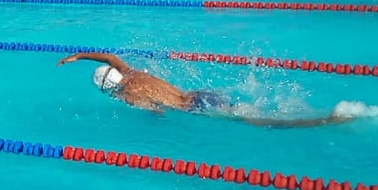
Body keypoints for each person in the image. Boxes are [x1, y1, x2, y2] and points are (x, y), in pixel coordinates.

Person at [55, 52, 360, 127]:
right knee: (249, 108)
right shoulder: (130, 72)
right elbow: (107, 57)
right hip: (201, 94)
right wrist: (79, 57)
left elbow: (157, 112)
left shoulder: (127, 94)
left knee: (258, 120)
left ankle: (323, 120)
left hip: (196, 109)